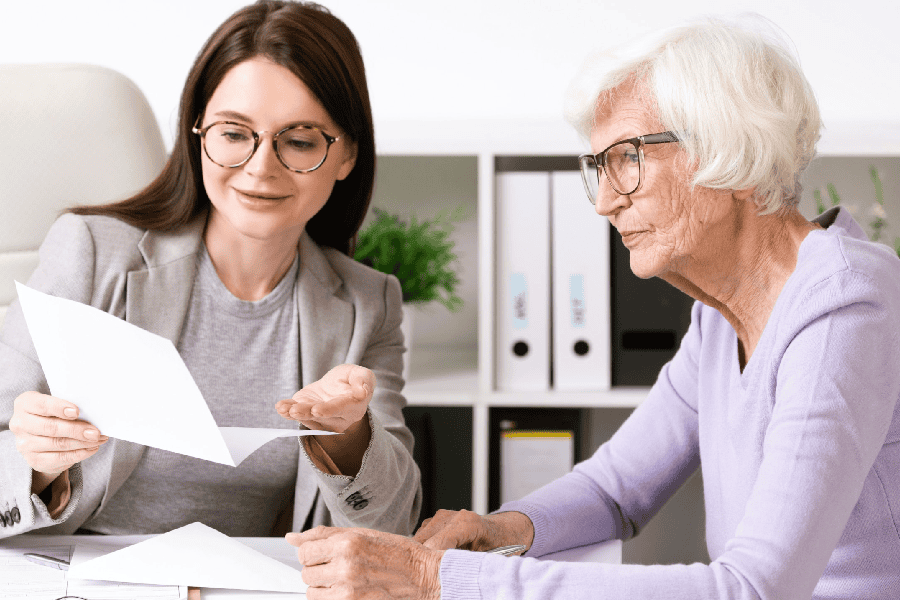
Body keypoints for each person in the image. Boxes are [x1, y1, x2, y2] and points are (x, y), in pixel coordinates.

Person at [283, 15, 900, 600]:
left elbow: (753, 589)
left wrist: (438, 578)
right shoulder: (721, 314)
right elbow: (616, 489)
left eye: (627, 160)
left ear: (729, 150)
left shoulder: (845, 308)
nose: (604, 202)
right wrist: (501, 530)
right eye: (598, 168)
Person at [0, 0, 421, 539]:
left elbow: (394, 526)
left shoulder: (368, 303)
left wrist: (349, 438)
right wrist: (37, 465)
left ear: (346, 157)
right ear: (198, 132)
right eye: (233, 133)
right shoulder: (93, 253)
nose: (260, 167)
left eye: (297, 141)